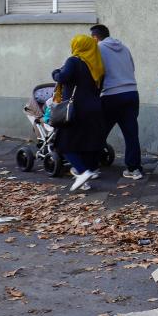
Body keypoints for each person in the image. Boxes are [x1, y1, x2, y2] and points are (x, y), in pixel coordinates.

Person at [51, 35, 107, 192]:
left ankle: (82, 172)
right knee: (87, 144)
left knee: (63, 143)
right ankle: (85, 179)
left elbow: (63, 77)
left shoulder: (74, 61)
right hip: (95, 107)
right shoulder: (98, 65)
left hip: (76, 109)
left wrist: (55, 72)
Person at [90, 24, 143, 180]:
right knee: (131, 134)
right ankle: (134, 169)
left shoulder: (98, 48)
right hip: (132, 93)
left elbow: (96, 72)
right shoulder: (124, 48)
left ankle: (91, 168)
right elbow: (132, 68)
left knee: (99, 132)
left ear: (95, 37)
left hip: (111, 95)